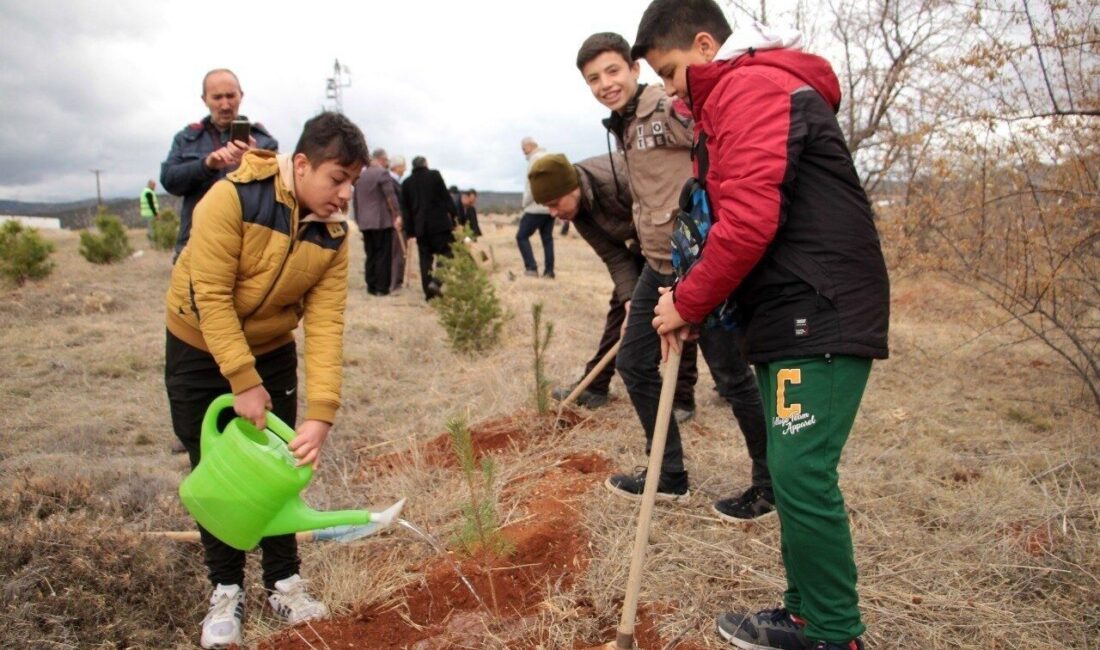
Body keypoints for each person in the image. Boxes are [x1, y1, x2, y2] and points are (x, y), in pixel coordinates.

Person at [636, 3, 890, 649]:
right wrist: (702, 301)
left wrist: (689, 303)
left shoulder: (752, 86)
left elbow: (749, 225)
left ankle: (834, 633)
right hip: (788, 309)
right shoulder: (729, 107)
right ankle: (804, 615)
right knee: (790, 465)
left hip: (819, 307)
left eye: (670, 73)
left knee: (802, 471)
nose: (670, 91)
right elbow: (733, 222)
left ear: (703, 44)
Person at [163, 112, 368, 649]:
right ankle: (226, 588)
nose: (346, 194)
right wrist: (241, 378)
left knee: (281, 467)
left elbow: (325, 325)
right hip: (197, 344)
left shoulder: (333, 236)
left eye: (354, 182)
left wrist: (321, 411)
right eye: (337, 179)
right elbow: (209, 294)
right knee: (216, 468)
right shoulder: (232, 198)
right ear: (301, 165)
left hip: (272, 350)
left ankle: (284, 582)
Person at [576, 31, 771, 517]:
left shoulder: (667, 106)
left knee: (731, 377)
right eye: (593, 78)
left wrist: (711, 220)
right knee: (634, 363)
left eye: (612, 71)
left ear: (634, 68)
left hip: (703, 266)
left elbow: (715, 143)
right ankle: (669, 474)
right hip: (658, 264)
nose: (605, 84)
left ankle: (771, 483)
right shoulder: (623, 124)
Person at [530, 153, 697, 411]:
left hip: (669, 239)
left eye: (554, 203)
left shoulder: (617, 177)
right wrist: (630, 298)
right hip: (638, 247)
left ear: (571, 187)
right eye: (546, 207)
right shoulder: (577, 211)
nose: (552, 213)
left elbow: (661, 207)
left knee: (676, 311)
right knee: (621, 308)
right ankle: (595, 386)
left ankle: (682, 398)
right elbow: (614, 257)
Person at [160, 68, 279, 259]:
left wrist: (254, 163)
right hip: (196, 246)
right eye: (217, 97)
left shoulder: (264, 142)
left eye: (231, 96)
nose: (225, 105)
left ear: (241, 95)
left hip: (249, 250)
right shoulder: (186, 139)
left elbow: (280, 191)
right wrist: (206, 165)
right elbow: (169, 180)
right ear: (204, 99)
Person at [401, 156, 458, 300]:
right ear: (425, 164)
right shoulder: (434, 175)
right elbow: (445, 197)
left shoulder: (406, 183)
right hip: (439, 225)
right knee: (448, 253)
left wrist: (409, 231)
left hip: (420, 228)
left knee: (425, 260)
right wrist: (455, 215)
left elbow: (405, 209)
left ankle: (429, 294)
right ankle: (436, 282)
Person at [353, 148, 402, 295]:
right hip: (381, 221)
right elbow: (390, 197)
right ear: (381, 159)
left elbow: (356, 201)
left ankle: (371, 285)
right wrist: (397, 215)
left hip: (365, 222)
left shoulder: (360, 176)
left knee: (370, 254)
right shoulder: (382, 173)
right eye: (386, 160)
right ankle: (381, 287)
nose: (387, 163)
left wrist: (358, 219)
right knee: (383, 255)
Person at [516, 137, 555, 278]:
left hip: (535, 207)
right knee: (547, 239)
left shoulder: (535, 159)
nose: (523, 152)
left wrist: (525, 203)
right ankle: (549, 272)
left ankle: (531, 268)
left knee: (521, 236)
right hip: (550, 206)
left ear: (530, 145)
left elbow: (533, 185)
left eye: (523, 148)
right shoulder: (550, 157)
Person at [387, 155, 408, 293]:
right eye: (403, 166)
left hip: (395, 222)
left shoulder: (396, 182)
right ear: (396, 167)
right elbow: (392, 203)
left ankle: (395, 282)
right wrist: (398, 217)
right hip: (395, 223)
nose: (405, 169)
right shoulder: (389, 182)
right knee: (397, 254)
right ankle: (394, 284)